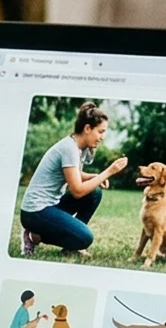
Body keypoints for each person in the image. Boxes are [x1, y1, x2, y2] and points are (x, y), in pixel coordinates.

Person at [17, 102, 124, 256]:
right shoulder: (69, 148)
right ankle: (34, 235)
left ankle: (70, 246)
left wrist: (94, 177)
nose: (102, 137)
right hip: (34, 211)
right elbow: (77, 191)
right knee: (85, 238)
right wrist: (107, 173)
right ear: (87, 128)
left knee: (95, 193)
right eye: (100, 132)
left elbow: (76, 174)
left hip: (51, 206)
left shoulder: (77, 147)